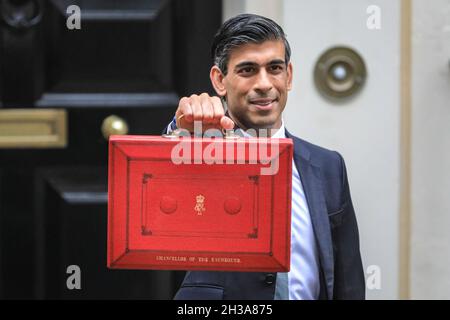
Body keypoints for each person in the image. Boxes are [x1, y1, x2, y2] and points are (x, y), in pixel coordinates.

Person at [166, 14, 365, 300]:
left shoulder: (329, 167)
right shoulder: (200, 151)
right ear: (220, 80)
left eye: (274, 68)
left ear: (289, 75)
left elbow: (349, 282)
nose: (264, 84)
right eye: (247, 70)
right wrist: (179, 132)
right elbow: (152, 191)